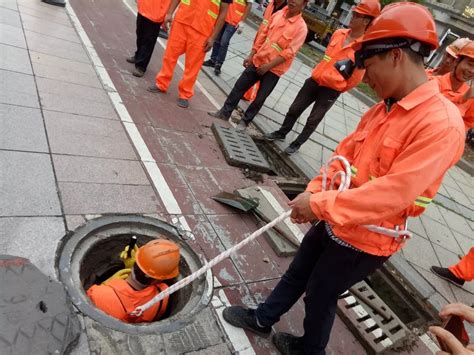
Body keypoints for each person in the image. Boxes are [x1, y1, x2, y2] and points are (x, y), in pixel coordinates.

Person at [221, 3, 466, 354]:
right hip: (336, 216)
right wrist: (313, 193)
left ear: (395, 56)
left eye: (369, 65)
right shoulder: (385, 108)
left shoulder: (441, 125)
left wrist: (319, 204)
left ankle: (311, 349)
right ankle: (263, 318)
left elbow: (393, 194)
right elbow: (343, 157)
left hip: (368, 238)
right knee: (300, 269)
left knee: (321, 291)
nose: (364, 77)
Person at [264, 0, 380, 155]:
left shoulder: (362, 49)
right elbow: (327, 58)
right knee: (295, 108)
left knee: (313, 119)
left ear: (366, 21)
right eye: (353, 13)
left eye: (357, 15)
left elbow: (356, 79)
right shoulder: (339, 34)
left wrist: (338, 86)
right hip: (315, 80)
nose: (351, 17)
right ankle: (282, 132)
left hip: (331, 90)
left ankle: (297, 144)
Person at [208, 0, 308, 130]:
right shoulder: (277, 14)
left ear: (304, 4)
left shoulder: (301, 28)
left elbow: (289, 52)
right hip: (258, 60)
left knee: (260, 98)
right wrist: (251, 54)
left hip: (274, 69)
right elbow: (263, 35)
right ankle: (224, 112)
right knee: (239, 86)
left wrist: (268, 66)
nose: (292, 1)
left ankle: (245, 122)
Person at [147, 0, 231, 108]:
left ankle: (185, 94)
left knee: (193, 66)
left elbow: (223, 13)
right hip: (182, 21)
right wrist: (169, 13)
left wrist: (212, 38)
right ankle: (161, 83)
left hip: (202, 31)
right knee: (170, 55)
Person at [87, 239, 180, 323]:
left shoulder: (98, 293)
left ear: (137, 259)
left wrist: (105, 284)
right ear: (161, 278)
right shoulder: (163, 296)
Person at [243, 0, 287, 102]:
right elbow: (265, 20)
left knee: (259, 68)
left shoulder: (285, 10)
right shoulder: (271, 4)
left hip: (269, 45)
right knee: (253, 65)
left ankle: (250, 95)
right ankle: (247, 91)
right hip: (261, 38)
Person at [202, 0, 253, 76]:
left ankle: (219, 63)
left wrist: (242, 22)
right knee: (217, 39)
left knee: (224, 41)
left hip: (234, 20)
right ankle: (213, 60)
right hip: (224, 16)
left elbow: (249, 5)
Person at [434, 40, 474, 131]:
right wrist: (463, 98)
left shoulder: (471, 98)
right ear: (456, 62)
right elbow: (436, 101)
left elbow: (468, 121)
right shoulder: (432, 82)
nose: (472, 71)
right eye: (470, 64)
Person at [126, 0, 171, 77]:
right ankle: (138, 55)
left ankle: (141, 66)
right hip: (143, 8)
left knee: (148, 40)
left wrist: (168, 13)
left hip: (156, 13)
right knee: (140, 33)